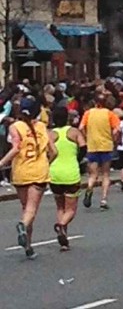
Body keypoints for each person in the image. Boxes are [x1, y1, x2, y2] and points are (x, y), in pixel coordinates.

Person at [0, 98, 57, 259]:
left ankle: (28, 247)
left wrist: (3, 162)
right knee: (31, 210)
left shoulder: (15, 127)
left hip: (20, 171)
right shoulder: (41, 127)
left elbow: (16, 148)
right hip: (38, 171)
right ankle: (23, 227)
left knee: (26, 208)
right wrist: (46, 162)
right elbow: (54, 151)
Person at [49, 106, 86, 251]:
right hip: (71, 172)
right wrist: (77, 159)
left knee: (60, 206)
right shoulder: (73, 132)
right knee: (70, 209)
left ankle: (64, 240)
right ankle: (61, 225)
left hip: (55, 173)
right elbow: (83, 147)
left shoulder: (50, 134)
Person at [79, 93, 121, 210]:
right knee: (106, 174)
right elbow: (117, 129)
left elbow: (81, 127)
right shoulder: (110, 114)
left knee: (93, 174)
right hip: (106, 146)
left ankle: (89, 187)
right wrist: (114, 139)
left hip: (92, 146)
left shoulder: (88, 113)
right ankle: (103, 199)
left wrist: (86, 136)